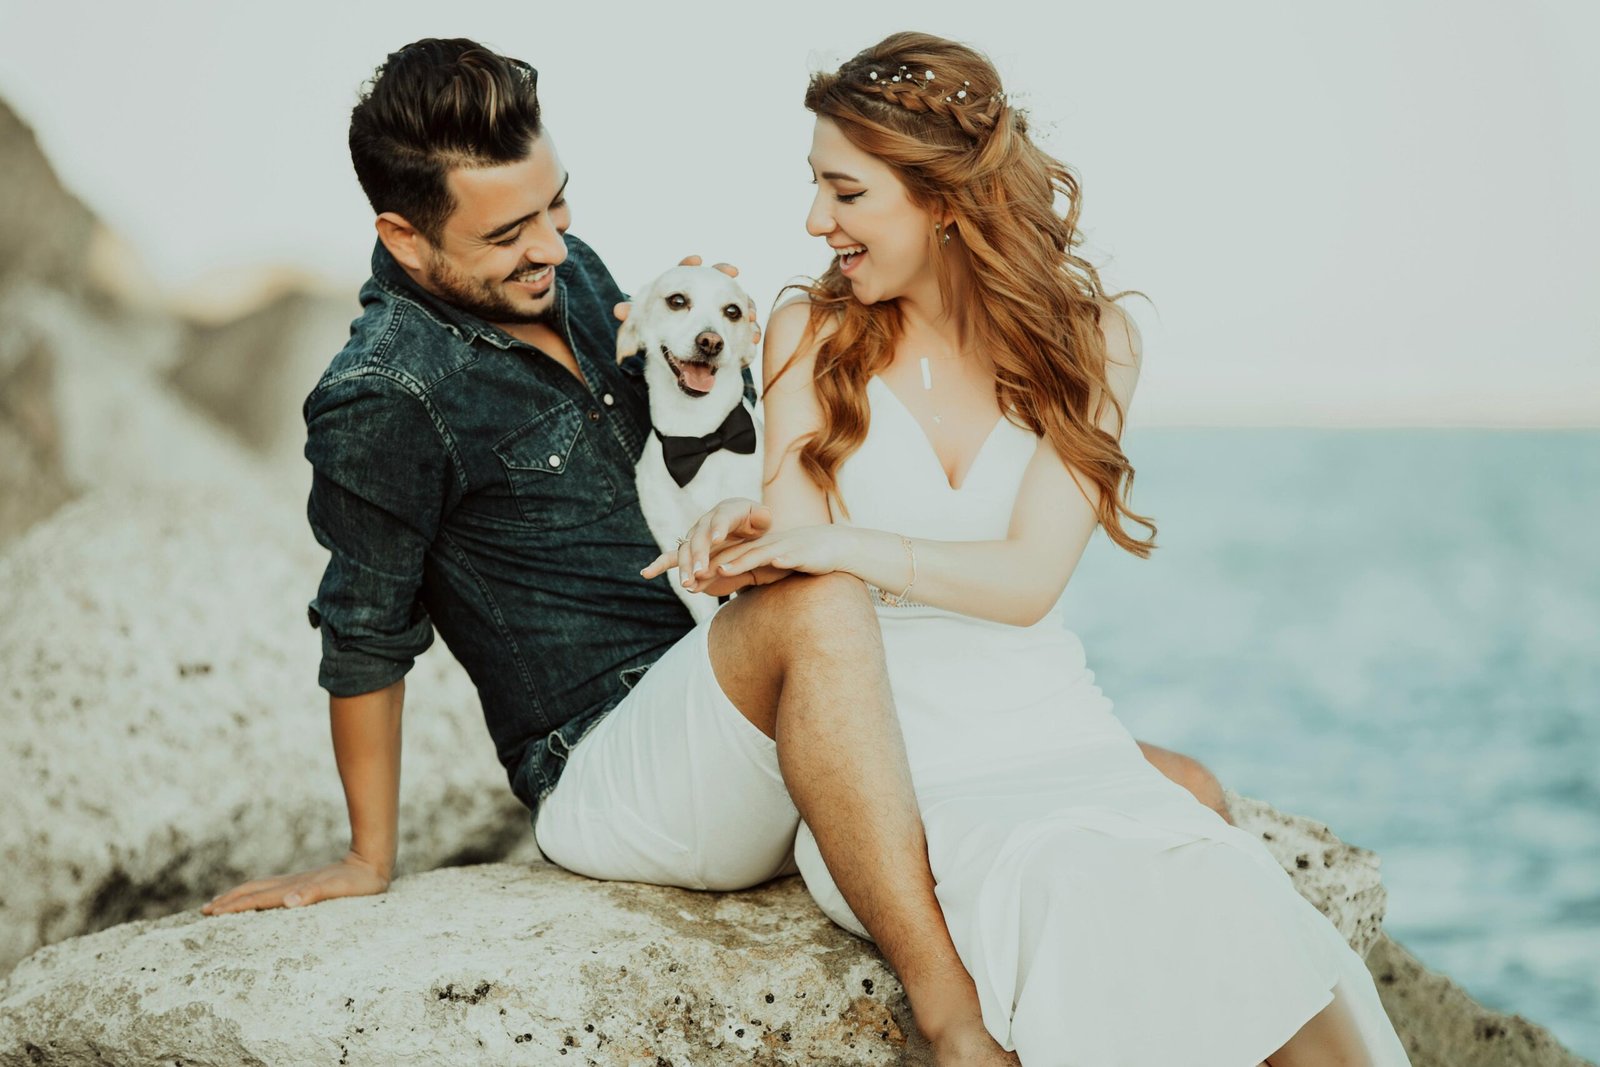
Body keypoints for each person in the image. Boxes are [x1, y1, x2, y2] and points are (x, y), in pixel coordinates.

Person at [202, 36, 1232, 1065]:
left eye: (557, 205)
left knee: (1174, 792)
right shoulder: (384, 391)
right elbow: (364, 625)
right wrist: (364, 857)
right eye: (511, 231)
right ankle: (950, 1014)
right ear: (405, 236)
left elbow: (707, 439)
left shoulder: (566, 273)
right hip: (617, 764)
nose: (553, 247)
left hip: (753, 697)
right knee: (822, 597)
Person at [652, 31, 1412, 1067]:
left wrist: (841, 537)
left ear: (942, 200)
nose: (814, 220)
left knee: (1230, 893)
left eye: (844, 191)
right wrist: (734, 533)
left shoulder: (1093, 338)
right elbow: (792, 550)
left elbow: (1025, 582)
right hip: (893, 758)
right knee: (1070, 888)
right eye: (815, 188)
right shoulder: (807, 328)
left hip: (1063, 733)